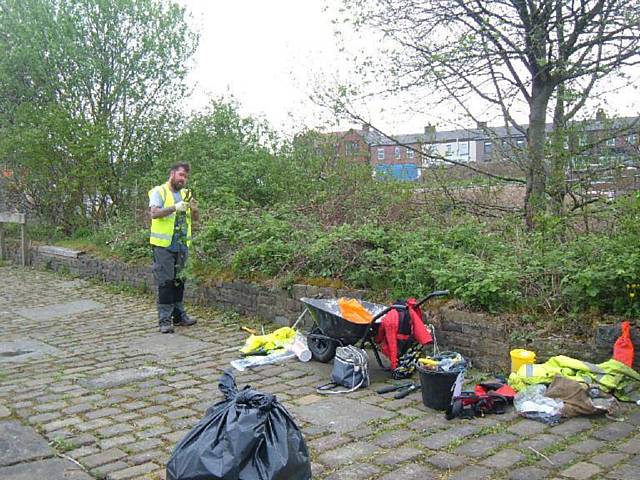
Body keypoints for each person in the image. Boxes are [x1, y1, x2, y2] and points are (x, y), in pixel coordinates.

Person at [148, 162, 200, 333]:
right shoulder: (159, 191)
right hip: (163, 246)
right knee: (166, 281)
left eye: (185, 176)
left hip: (182, 245)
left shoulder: (186, 194)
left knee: (180, 281)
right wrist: (174, 208)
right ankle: (164, 320)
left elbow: (196, 219)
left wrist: (194, 209)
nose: (183, 179)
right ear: (172, 174)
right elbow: (154, 214)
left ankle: (179, 316)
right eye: (180, 175)